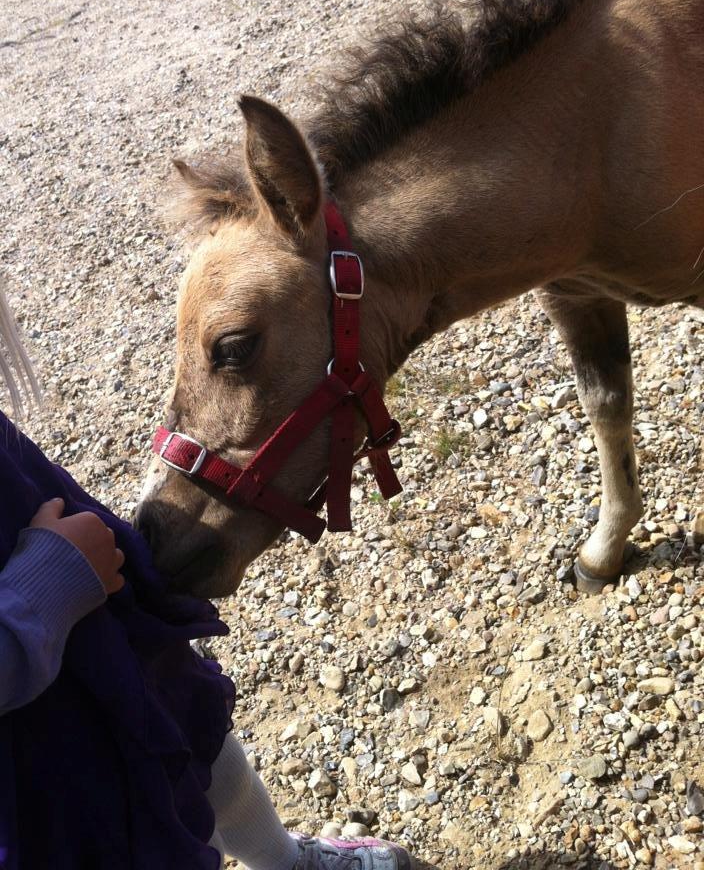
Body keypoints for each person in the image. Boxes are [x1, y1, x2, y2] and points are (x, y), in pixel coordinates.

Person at [0, 280, 414, 870]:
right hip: (35, 735)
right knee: (130, 831)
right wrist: (40, 590)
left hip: (96, 630)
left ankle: (286, 861)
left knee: (197, 734)